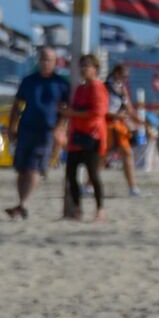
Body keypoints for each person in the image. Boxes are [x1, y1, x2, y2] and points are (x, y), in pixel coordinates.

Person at [6, 46, 70, 219]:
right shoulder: (29, 81)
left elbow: (67, 110)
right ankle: (21, 201)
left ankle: (23, 204)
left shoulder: (61, 84)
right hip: (26, 128)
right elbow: (16, 105)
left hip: (46, 130)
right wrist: (11, 126)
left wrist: (60, 127)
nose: (45, 63)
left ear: (55, 62)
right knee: (21, 168)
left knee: (34, 167)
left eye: (49, 59)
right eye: (43, 59)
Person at [63, 53, 107, 222]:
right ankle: (77, 209)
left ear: (95, 69)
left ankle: (100, 209)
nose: (83, 69)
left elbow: (97, 112)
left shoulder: (97, 87)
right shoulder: (81, 88)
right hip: (77, 136)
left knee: (93, 175)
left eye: (87, 66)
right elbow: (75, 109)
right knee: (71, 174)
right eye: (82, 65)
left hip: (92, 136)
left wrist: (72, 113)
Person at [105, 64, 141, 196]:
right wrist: (116, 115)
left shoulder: (122, 88)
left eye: (127, 76)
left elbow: (129, 108)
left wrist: (141, 122)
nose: (126, 78)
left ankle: (133, 187)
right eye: (123, 75)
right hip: (107, 125)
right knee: (102, 156)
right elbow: (101, 109)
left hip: (119, 126)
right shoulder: (106, 87)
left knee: (127, 154)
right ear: (116, 73)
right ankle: (88, 185)